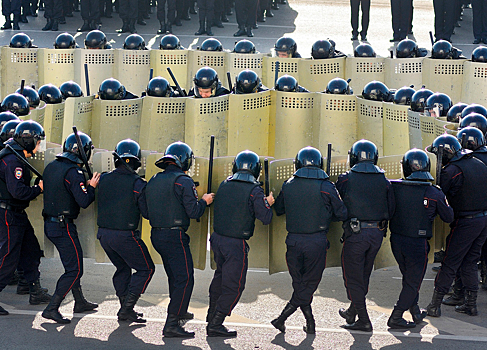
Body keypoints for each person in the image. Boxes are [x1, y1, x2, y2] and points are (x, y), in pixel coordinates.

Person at [272, 147, 347, 334]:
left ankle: (306, 322)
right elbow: (342, 213)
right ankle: (285, 318)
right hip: (316, 241)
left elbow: (279, 209)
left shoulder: (288, 184)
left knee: (300, 284)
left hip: (293, 241)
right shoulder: (327, 186)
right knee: (308, 285)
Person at [145, 141, 214, 337]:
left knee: (175, 277)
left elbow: (146, 210)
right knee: (184, 279)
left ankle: (179, 310)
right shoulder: (183, 180)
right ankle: (173, 323)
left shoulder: (154, 179)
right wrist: (204, 201)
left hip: (157, 234)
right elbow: (193, 211)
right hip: (174, 236)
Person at [207, 150, 273, 337]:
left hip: (218, 240)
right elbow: (266, 217)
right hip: (235, 244)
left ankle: (211, 317)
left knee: (219, 279)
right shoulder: (254, 190)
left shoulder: (225, 184)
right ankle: (216, 323)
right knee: (234, 285)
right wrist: (267, 202)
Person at [387, 149, 453, 329]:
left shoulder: (394, 187)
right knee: (413, 281)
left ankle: (415, 311)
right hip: (417, 243)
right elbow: (449, 216)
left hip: (397, 240)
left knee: (409, 279)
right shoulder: (433, 192)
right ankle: (396, 315)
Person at [425, 134, 487, 317]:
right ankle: (471, 304)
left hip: (466, 222)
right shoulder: (477, 163)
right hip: (483, 221)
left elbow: (440, 195)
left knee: (449, 263)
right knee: (469, 262)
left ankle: (435, 305)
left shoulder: (452, 170)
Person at [41, 132, 100, 324]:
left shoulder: (51, 167)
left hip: (51, 224)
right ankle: (52, 308)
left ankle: (79, 301)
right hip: (63, 227)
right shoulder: (73, 172)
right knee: (75, 270)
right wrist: (91, 186)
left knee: (72, 265)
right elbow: (84, 201)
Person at [336, 139, 395, 332]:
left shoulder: (346, 179)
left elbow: (338, 206)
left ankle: (363, 319)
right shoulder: (384, 181)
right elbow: (392, 208)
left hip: (356, 233)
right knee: (363, 274)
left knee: (352, 278)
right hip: (377, 234)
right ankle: (353, 311)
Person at [97, 139, 155, 324]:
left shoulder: (104, 178)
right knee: (146, 269)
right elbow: (146, 213)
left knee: (122, 268)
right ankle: (127, 307)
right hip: (125, 236)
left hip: (104, 235)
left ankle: (125, 307)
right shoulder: (137, 183)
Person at [0, 121, 51, 316]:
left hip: (15, 213)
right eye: (37, 141)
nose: (38, 146)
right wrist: (38, 188)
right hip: (8, 213)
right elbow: (18, 192)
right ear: (28, 141)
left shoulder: (16, 155)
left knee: (31, 250)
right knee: (8, 257)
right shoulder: (13, 161)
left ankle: (32, 288)